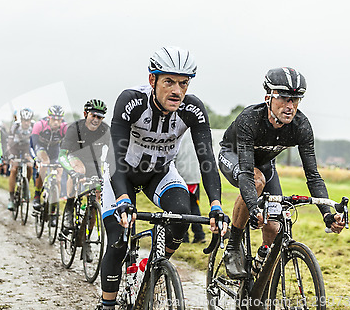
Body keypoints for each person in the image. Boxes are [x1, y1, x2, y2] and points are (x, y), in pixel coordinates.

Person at [97, 46, 229, 310]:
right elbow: (115, 158)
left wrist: (216, 205)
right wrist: (123, 198)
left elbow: (207, 162)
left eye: (183, 83)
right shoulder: (131, 101)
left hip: (160, 173)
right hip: (121, 171)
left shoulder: (193, 109)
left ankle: (155, 265)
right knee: (117, 240)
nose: (177, 91)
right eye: (168, 81)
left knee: (180, 216)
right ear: (152, 80)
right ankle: (107, 304)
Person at [219, 67, 346, 280]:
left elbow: (312, 175)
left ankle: (258, 278)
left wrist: (327, 214)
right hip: (234, 157)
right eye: (284, 98)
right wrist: (253, 208)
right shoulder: (250, 119)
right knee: (256, 180)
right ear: (268, 97)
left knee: (274, 227)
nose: (290, 106)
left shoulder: (301, 126)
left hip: (266, 165)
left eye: (295, 100)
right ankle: (232, 247)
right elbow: (247, 174)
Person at [59, 99, 111, 257]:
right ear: (85, 114)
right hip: (75, 158)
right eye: (93, 116)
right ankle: (69, 207)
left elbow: (114, 154)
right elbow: (62, 156)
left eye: (100, 117)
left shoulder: (105, 130)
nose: (96, 120)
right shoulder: (75, 128)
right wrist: (71, 172)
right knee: (78, 170)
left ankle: (86, 239)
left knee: (96, 196)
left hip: (94, 163)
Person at [30, 105, 68, 218]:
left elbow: (69, 146)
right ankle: (37, 196)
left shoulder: (65, 128)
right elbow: (32, 145)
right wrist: (35, 159)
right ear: (48, 118)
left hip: (55, 150)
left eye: (59, 119)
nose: (56, 122)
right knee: (45, 163)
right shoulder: (39, 125)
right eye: (54, 119)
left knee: (58, 178)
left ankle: (53, 210)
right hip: (41, 148)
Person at [175, 129, 206, 244]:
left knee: (181, 207)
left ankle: (184, 236)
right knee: (194, 206)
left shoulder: (177, 132)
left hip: (180, 176)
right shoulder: (197, 132)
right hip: (194, 176)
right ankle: (199, 234)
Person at [7, 108, 35, 211]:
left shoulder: (33, 126)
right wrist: (11, 156)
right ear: (21, 120)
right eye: (24, 120)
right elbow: (9, 143)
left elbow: (36, 142)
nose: (26, 123)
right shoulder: (15, 126)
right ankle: (11, 198)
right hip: (15, 147)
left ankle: (25, 187)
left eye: (28, 120)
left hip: (26, 148)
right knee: (14, 169)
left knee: (30, 166)